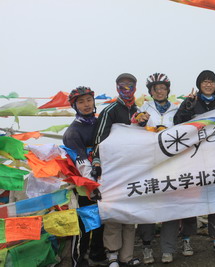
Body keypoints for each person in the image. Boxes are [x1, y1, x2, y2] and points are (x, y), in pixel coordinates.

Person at [173, 70, 215, 257]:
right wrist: (187, 109)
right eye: (204, 82)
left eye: (211, 82)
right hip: (194, 160)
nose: (208, 85)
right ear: (199, 84)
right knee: (191, 199)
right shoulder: (190, 102)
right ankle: (187, 241)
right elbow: (177, 124)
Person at [91, 73, 140, 267]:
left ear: (135, 88)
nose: (126, 90)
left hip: (133, 169)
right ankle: (112, 255)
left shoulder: (138, 111)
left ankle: (126, 257)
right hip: (112, 169)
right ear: (117, 87)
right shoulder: (110, 110)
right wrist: (96, 161)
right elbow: (99, 138)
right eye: (122, 86)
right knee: (114, 213)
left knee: (130, 214)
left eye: (130, 86)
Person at [132, 73, 180, 264]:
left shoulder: (177, 110)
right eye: (155, 89)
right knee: (148, 206)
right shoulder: (142, 110)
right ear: (150, 92)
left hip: (171, 165)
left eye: (162, 88)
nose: (159, 92)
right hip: (149, 166)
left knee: (171, 207)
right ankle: (146, 246)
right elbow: (132, 132)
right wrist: (139, 121)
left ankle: (168, 248)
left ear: (168, 90)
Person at [63, 86, 107, 267]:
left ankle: (98, 255)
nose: (86, 104)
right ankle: (81, 259)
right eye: (81, 102)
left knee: (102, 218)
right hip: (85, 183)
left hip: (105, 178)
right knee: (87, 219)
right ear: (75, 106)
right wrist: (92, 185)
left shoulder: (101, 123)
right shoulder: (72, 132)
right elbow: (80, 161)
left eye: (89, 100)